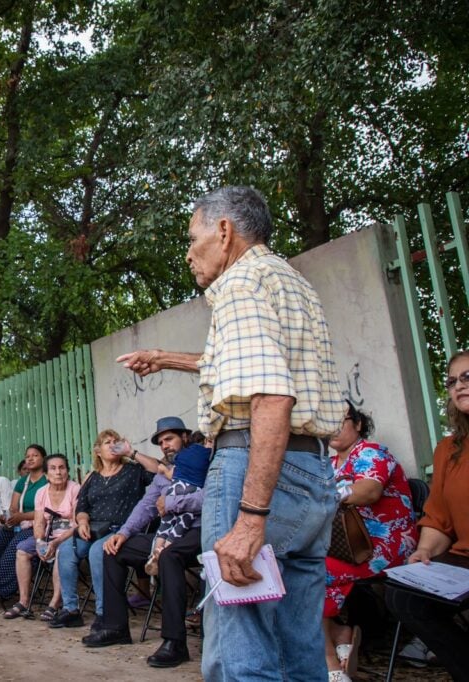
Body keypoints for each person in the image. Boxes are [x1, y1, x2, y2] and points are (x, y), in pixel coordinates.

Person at [119, 186, 345, 681]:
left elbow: (270, 397)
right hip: (311, 472)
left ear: (223, 231)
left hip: (256, 470)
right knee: (297, 647)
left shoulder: (239, 285)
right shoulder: (288, 281)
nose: (187, 252)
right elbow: (245, 368)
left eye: (192, 237)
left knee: (240, 649)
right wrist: (166, 358)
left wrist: (250, 519)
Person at [86, 418, 203, 661]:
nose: (165, 446)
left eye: (169, 439)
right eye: (161, 442)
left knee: (170, 556)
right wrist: (123, 533)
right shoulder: (162, 473)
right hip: (166, 534)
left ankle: (175, 642)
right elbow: (145, 506)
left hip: (199, 531)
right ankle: (116, 627)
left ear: (185, 436)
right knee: (113, 550)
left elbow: (213, 497)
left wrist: (172, 502)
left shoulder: (202, 460)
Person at [385, 351, 469, 682]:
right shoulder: (449, 449)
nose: (459, 385)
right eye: (452, 381)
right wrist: (424, 551)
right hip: (464, 559)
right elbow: (438, 518)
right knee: (403, 596)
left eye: (467, 377)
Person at [322, 400, 415, 681]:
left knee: (307, 572)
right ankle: (339, 633)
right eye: (327, 421)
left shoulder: (372, 453)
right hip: (345, 545)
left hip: (382, 544)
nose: (334, 427)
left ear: (358, 423)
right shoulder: (328, 464)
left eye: (341, 419)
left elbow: (370, 491)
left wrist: (325, 497)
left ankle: (329, 665)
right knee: (295, 564)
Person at [51, 429, 149, 630]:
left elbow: (159, 471)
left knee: (98, 551)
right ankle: (71, 610)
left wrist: (132, 453)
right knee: (66, 550)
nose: (113, 445)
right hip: (93, 529)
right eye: (107, 442)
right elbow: (82, 507)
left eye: (116, 441)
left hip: (122, 530)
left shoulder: (132, 471)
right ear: (98, 450)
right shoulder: (93, 477)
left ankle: (105, 613)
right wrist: (83, 521)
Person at [4, 453, 80, 620]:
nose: (58, 472)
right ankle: (23, 601)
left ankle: (54, 604)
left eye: (62, 468)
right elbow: (39, 523)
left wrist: (56, 542)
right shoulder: (41, 492)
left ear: (67, 471)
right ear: (46, 474)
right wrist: (39, 542)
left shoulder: (75, 489)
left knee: (62, 553)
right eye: (53, 468)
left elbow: (77, 524)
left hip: (68, 538)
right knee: (22, 550)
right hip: (47, 536)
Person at [0, 444, 48, 600]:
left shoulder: (48, 480)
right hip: (20, 524)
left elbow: (46, 511)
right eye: (27, 456)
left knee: (14, 545)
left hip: (40, 526)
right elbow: (13, 507)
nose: (30, 458)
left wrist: (22, 517)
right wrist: (8, 517)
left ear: (43, 458)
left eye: (34, 455)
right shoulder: (23, 481)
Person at [146, 443, 211, 575]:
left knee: (165, 524)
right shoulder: (207, 459)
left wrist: (164, 470)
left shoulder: (183, 458)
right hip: (190, 493)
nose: (165, 445)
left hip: (174, 490)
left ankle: (155, 553)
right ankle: (161, 551)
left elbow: (171, 473)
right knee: (179, 527)